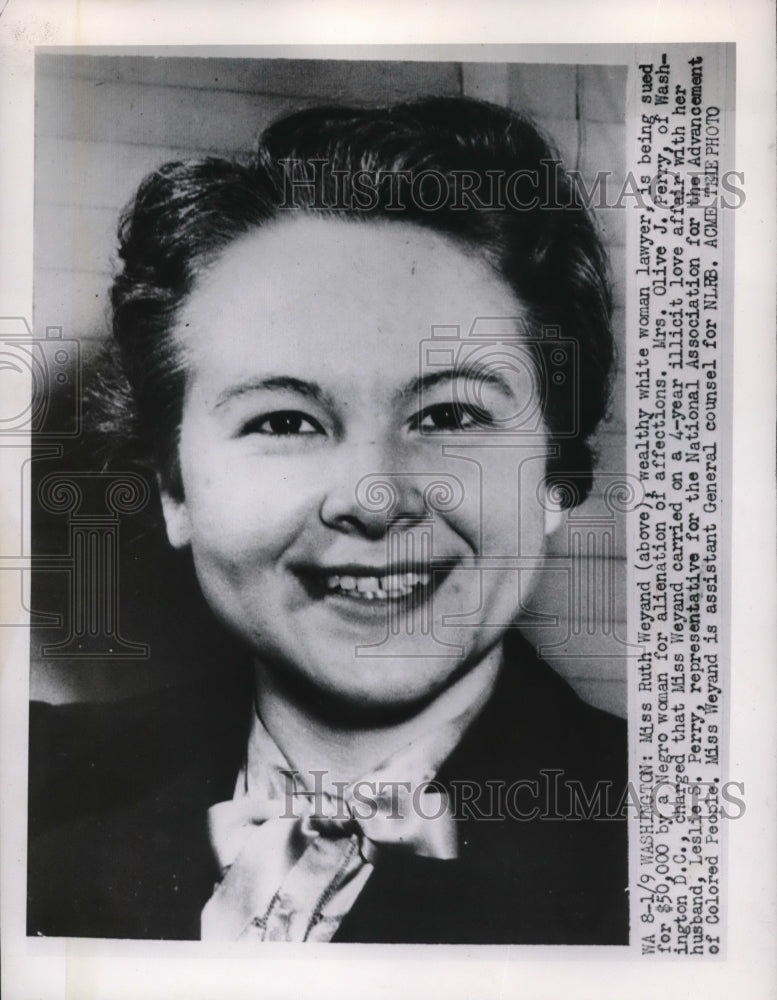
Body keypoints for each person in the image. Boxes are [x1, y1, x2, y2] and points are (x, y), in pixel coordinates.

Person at [27, 96, 628, 944]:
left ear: (554, 477)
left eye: (450, 417)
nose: (374, 498)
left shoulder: (693, 841)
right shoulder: (36, 790)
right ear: (173, 489)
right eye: (283, 421)